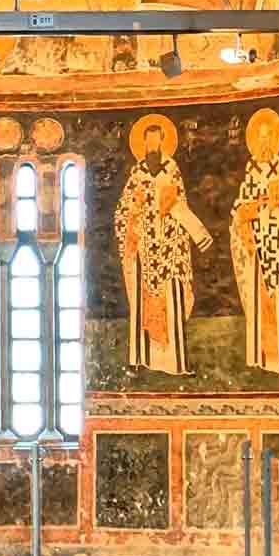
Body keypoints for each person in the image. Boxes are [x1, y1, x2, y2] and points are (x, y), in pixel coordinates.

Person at [115, 113, 211, 376]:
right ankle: (138, 360)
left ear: (163, 142)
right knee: (141, 302)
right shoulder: (137, 173)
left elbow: (180, 203)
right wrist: (134, 208)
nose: (152, 145)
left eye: (156, 140)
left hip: (170, 247)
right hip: (144, 249)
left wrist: (170, 205)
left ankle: (178, 363)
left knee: (173, 300)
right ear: (144, 144)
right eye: (148, 141)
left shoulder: (172, 169)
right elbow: (123, 209)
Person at [230, 107, 279, 375]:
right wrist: (257, 206)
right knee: (258, 297)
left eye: (269, 136)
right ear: (255, 141)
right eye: (261, 136)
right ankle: (257, 357)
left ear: (274, 139)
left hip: (276, 243)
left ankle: (278, 359)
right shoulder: (251, 172)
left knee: (276, 293)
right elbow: (240, 207)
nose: (265, 141)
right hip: (256, 243)